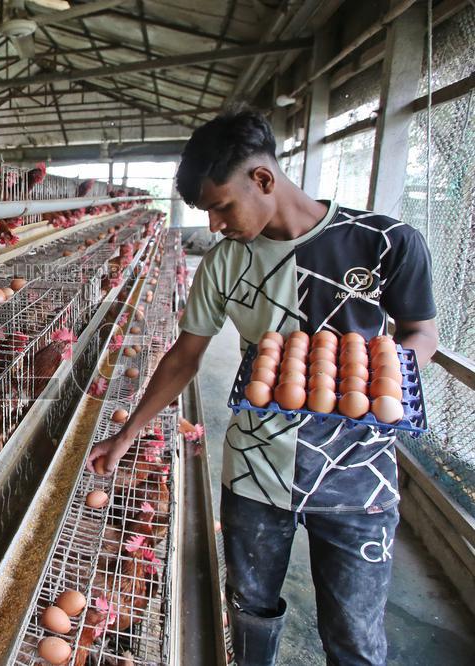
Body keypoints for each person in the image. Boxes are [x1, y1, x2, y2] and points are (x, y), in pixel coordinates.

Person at [86, 110, 438, 665]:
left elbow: (421, 330)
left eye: (222, 207)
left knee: (353, 632)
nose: (216, 226)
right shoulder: (224, 264)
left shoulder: (384, 242)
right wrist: (128, 433)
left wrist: (380, 377)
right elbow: (185, 356)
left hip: (357, 478)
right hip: (256, 471)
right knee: (249, 615)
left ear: (264, 180)